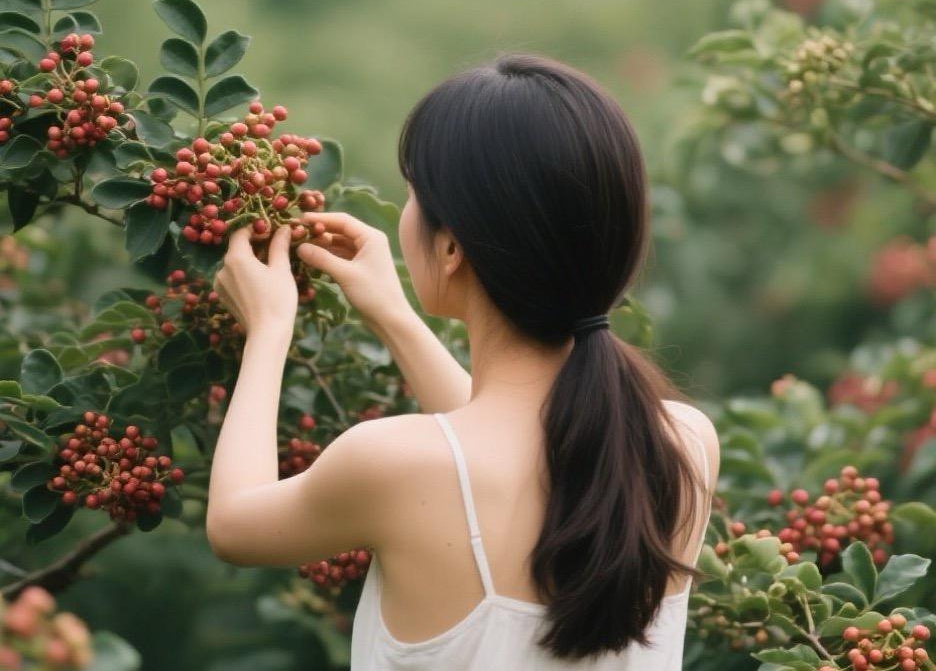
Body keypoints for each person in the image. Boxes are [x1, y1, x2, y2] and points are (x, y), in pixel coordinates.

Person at [206, 54, 720, 670]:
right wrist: (394, 317)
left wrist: (267, 330)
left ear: (450, 247)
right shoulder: (682, 442)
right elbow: (500, 454)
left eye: (412, 194)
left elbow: (235, 526)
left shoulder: (391, 463)